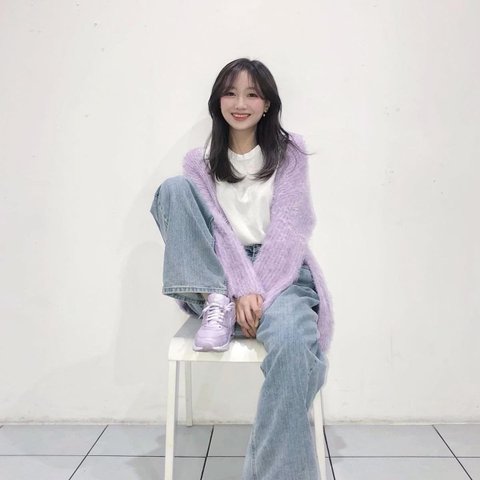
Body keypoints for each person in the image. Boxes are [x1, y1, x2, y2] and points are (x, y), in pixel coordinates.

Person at [150, 58, 334, 480]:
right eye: (230, 93)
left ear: (267, 104)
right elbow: (215, 233)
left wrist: (257, 292)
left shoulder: (289, 153)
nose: (240, 103)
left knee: (294, 345)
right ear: (218, 101)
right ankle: (216, 301)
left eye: (252, 94)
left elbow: (290, 229)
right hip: (216, 278)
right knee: (172, 191)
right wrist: (236, 289)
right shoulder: (199, 163)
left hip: (283, 274)